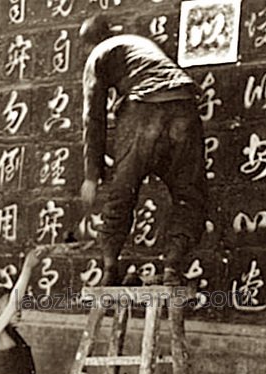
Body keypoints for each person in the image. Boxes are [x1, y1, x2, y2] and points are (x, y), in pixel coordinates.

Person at [79, 15, 209, 286]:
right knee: (189, 194)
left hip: (144, 110)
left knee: (122, 192)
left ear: (88, 45)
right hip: (184, 107)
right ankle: (173, 266)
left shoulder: (98, 55)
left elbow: (93, 118)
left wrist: (92, 175)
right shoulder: (141, 44)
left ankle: (110, 270)